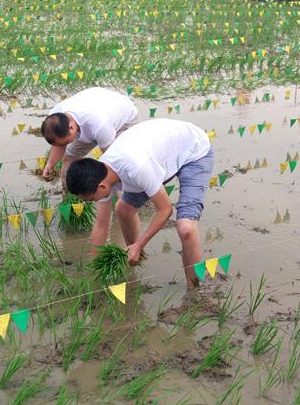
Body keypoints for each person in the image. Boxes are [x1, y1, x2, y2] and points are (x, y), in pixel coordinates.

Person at [66, 119, 214, 288]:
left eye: (91, 199)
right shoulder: (100, 175)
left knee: (186, 228)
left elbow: (165, 210)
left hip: (194, 151)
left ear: (101, 186)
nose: (94, 201)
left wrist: (141, 243)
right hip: (161, 156)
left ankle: (193, 290)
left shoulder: (136, 168)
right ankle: (135, 256)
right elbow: (100, 225)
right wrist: (95, 269)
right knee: (123, 209)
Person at [41, 87, 138, 187]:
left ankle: (129, 195)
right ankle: (68, 196)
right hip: (93, 106)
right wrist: (50, 165)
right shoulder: (54, 118)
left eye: (66, 142)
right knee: (69, 158)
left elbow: (112, 159)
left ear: (71, 128)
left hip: (124, 118)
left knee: (122, 162)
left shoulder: (99, 125)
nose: (65, 145)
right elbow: (59, 145)